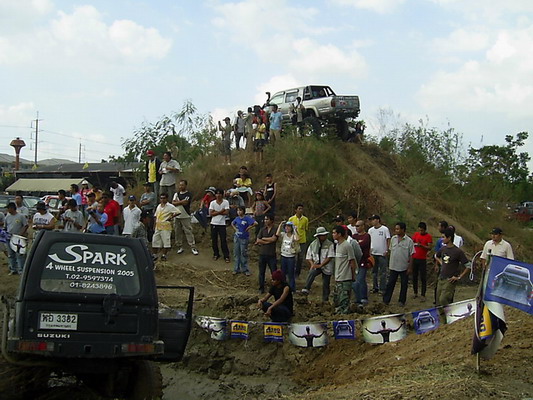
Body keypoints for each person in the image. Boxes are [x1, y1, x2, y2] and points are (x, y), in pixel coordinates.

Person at [435, 228, 472, 306]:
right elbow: (436, 256)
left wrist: (459, 277)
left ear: (449, 238)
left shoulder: (457, 251)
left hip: (450, 280)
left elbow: (468, 266)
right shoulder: (443, 249)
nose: (442, 239)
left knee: (443, 300)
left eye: (443, 237)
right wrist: (441, 263)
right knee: (438, 302)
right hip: (441, 278)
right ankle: (443, 314)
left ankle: (449, 313)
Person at [383, 222, 414, 307]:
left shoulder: (409, 241)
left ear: (403, 230)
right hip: (393, 265)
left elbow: (411, 255)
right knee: (390, 283)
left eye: (398, 229)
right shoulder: (393, 239)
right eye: (395, 229)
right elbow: (390, 250)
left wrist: (410, 267)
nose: (396, 230)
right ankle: (386, 300)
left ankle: (402, 301)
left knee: (404, 284)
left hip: (404, 266)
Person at [301, 227, 334, 303]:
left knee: (326, 283)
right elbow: (309, 256)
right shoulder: (313, 245)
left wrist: (321, 265)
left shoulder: (330, 244)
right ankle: (306, 288)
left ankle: (325, 299)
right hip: (317, 263)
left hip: (326, 266)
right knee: (311, 273)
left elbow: (329, 257)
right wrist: (312, 264)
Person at [330, 225, 356, 314]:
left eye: (334, 233)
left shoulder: (347, 245)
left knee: (344, 300)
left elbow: (352, 261)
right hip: (338, 277)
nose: (333, 235)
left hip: (345, 277)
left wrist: (353, 275)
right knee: (337, 298)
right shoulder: (337, 245)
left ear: (339, 234)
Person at [172, 180, 198, 255]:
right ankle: (179, 246)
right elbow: (173, 203)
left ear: (185, 186)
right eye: (180, 185)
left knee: (188, 231)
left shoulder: (188, 194)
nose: (180, 186)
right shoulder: (176, 194)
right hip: (176, 215)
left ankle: (192, 246)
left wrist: (177, 202)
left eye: (182, 185)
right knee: (177, 231)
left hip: (185, 215)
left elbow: (185, 202)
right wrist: (180, 202)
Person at [153, 193, 180, 261]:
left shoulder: (170, 206)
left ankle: (164, 255)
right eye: (161, 198)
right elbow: (156, 216)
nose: (162, 200)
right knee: (155, 241)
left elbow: (178, 212)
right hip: (158, 226)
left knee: (166, 242)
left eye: (164, 198)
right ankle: (155, 255)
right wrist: (154, 225)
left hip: (166, 226)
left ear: (167, 199)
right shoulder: (159, 206)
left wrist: (171, 217)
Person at [255, 214, 278, 293]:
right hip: (262, 253)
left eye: (267, 219)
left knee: (274, 273)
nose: (265, 221)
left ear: (271, 220)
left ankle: (275, 288)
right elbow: (258, 240)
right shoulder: (262, 229)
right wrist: (268, 241)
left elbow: (274, 239)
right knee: (261, 272)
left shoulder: (275, 229)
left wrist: (264, 239)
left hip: (271, 254)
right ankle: (261, 288)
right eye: (265, 219)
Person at [368, 215, 391, 294]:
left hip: (382, 253)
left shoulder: (385, 229)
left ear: (377, 220)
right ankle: (375, 287)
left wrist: (387, 250)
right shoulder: (370, 230)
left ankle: (382, 288)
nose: (372, 221)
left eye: (373, 220)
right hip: (373, 253)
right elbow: (369, 240)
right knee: (374, 271)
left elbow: (388, 239)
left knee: (383, 272)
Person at [231, 206, 256, 275]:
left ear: (243, 211)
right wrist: (235, 229)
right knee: (236, 253)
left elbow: (255, 223)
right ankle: (236, 268)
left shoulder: (247, 218)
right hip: (237, 237)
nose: (239, 212)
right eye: (238, 211)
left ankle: (245, 269)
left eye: (240, 210)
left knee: (243, 253)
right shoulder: (237, 218)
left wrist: (248, 228)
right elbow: (232, 223)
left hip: (244, 238)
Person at [5, 202, 28, 275]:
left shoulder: (21, 216)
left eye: (8, 208)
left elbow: (25, 225)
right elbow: (6, 227)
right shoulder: (7, 216)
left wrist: (20, 234)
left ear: (12, 208)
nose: (8, 210)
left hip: (18, 238)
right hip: (9, 237)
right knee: (11, 254)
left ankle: (21, 270)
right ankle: (13, 269)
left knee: (19, 254)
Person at [411, 222, 433, 300]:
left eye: (422, 230)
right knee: (414, 276)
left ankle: (423, 294)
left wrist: (422, 246)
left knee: (423, 277)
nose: (420, 232)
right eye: (419, 230)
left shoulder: (428, 237)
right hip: (415, 257)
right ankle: (415, 292)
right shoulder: (416, 234)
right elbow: (412, 242)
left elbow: (429, 247)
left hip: (422, 259)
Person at [276, 220, 300, 291]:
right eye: (286, 226)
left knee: (291, 274)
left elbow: (297, 239)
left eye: (289, 226)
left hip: (291, 257)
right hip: (283, 256)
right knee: (283, 273)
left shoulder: (293, 236)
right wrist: (280, 225)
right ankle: (283, 287)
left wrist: (295, 229)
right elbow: (277, 234)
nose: (287, 228)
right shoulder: (283, 234)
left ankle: (292, 288)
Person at [353, 220, 371, 306]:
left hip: (363, 261)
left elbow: (363, 245)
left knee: (360, 280)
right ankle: (359, 298)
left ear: (363, 226)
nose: (356, 228)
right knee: (357, 281)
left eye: (358, 226)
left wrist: (356, 244)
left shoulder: (367, 236)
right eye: (356, 226)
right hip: (355, 261)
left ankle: (363, 298)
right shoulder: (354, 236)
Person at [209, 188, 230, 262]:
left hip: (222, 224)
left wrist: (216, 212)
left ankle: (226, 255)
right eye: (217, 194)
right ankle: (216, 254)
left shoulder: (226, 202)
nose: (218, 195)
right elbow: (211, 213)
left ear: (222, 195)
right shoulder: (212, 203)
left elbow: (226, 212)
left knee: (223, 240)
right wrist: (221, 211)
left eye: (220, 194)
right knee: (214, 240)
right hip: (214, 223)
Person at [289, 204, 309, 278]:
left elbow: (306, 229)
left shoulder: (305, 219)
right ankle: (291, 271)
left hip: (302, 240)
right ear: (296, 210)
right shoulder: (291, 219)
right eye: (299, 209)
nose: (301, 210)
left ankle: (297, 273)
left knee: (300, 258)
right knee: (292, 256)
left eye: (301, 209)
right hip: (294, 240)